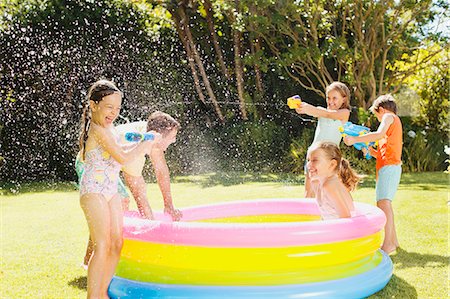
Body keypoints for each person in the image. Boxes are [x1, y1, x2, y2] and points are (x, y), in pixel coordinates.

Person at [78, 79, 159, 299]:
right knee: (102, 245)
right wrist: (145, 145)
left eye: (117, 108)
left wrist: (143, 141)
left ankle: (102, 292)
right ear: (94, 105)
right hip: (93, 191)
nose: (114, 113)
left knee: (117, 242)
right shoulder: (96, 129)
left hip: (110, 191)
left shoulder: (109, 128)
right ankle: (93, 296)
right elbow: (123, 158)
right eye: (109, 107)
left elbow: (119, 149)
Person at [80, 111, 183, 269]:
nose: (174, 140)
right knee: (120, 203)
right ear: (159, 135)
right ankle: (93, 261)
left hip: (105, 164)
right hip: (89, 164)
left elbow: (161, 171)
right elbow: (140, 198)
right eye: (172, 137)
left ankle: (91, 261)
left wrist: (168, 205)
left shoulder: (150, 138)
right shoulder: (138, 145)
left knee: (117, 206)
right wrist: (155, 240)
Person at [344, 94, 402, 254]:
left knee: (384, 204)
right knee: (385, 203)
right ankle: (393, 241)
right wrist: (371, 151)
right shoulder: (391, 125)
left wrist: (355, 140)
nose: (378, 120)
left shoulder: (389, 117)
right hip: (387, 166)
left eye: (377, 116)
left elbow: (378, 134)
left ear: (381, 110)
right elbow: (384, 151)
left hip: (390, 167)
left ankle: (388, 244)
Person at [295, 82, 351, 198]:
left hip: (330, 159)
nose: (330, 101)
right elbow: (317, 111)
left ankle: (345, 214)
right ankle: (310, 215)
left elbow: (328, 114)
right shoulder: (321, 111)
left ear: (344, 99)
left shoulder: (344, 113)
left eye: (334, 98)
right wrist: (301, 108)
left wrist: (309, 108)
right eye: (328, 98)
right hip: (314, 156)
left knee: (330, 192)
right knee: (309, 192)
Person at [306, 141, 359, 220]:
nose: (309, 164)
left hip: (344, 230)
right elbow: (326, 214)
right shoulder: (317, 183)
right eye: (308, 160)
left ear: (332, 164)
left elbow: (346, 217)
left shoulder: (329, 185)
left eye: (315, 160)